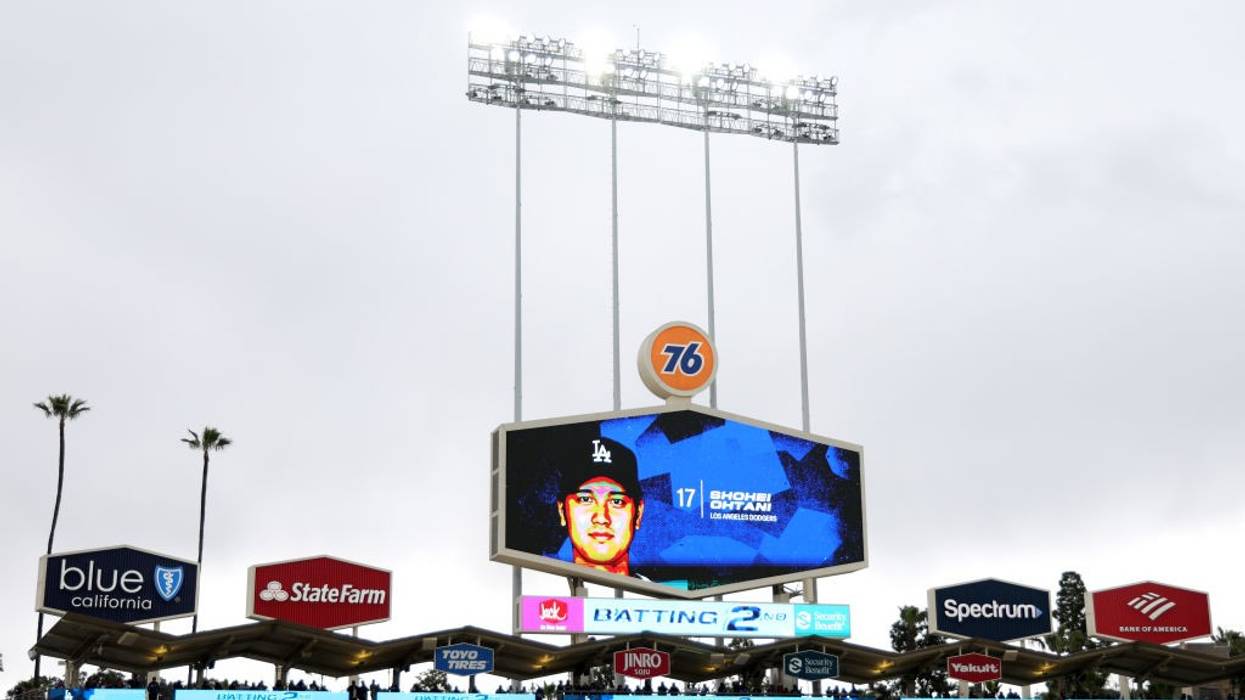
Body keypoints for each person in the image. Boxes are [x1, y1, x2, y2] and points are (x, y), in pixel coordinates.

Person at [556, 436, 645, 576]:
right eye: (585, 499)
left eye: (617, 502)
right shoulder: (542, 591)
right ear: (562, 511)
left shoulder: (661, 597)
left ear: (638, 514)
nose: (602, 517)